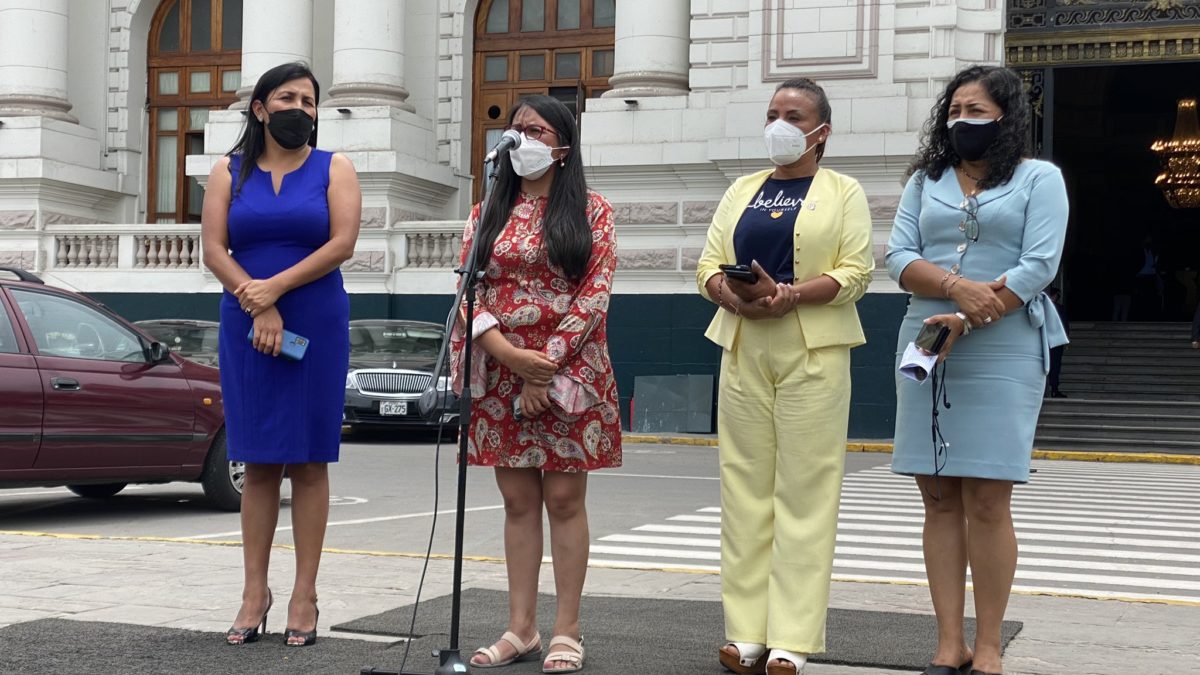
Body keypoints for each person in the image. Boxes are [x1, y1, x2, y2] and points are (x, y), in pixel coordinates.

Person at [885, 65, 1068, 675]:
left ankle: (988, 644)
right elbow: (899, 255)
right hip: (928, 338)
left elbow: (1039, 262)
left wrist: (976, 310)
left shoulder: (1040, 179)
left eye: (977, 110)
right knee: (937, 495)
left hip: (1005, 341)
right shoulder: (927, 179)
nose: (962, 121)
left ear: (1007, 116)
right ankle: (948, 642)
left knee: (987, 498)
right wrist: (956, 290)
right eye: (955, 110)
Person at [696, 78, 874, 675]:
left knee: (805, 492)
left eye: (794, 115)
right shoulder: (742, 189)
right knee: (742, 490)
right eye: (772, 113)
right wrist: (730, 293)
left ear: (822, 130)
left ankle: (791, 638)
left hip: (814, 350)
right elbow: (705, 265)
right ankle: (745, 632)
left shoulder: (844, 191)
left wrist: (791, 294)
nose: (780, 123)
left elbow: (856, 272)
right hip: (744, 343)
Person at [450, 95, 621, 673]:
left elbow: (594, 295)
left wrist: (542, 365)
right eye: (515, 129)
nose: (522, 139)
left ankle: (566, 629)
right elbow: (469, 292)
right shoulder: (485, 214)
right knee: (517, 500)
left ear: (563, 148)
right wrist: (509, 358)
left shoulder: (593, 211)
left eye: (536, 130)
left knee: (564, 499)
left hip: (569, 371)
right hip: (502, 371)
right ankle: (520, 627)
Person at [200, 62, 361, 647]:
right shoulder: (228, 171)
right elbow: (214, 249)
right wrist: (257, 301)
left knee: (310, 461)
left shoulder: (334, 167)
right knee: (259, 460)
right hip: (245, 321)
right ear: (262, 108)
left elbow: (342, 242)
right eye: (289, 98)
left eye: (310, 101)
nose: (302, 109)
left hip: (315, 320)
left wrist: (277, 290)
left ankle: (304, 594)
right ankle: (253, 592)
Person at [1045, 286, 1069, 398]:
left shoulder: (1043, 307)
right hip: (1056, 341)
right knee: (1054, 365)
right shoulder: (1058, 308)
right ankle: (1053, 388)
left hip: (1046, 341)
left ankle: (1051, 389)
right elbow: (1064, 325)